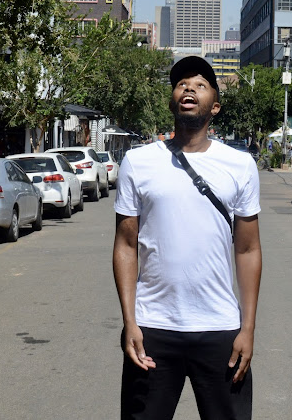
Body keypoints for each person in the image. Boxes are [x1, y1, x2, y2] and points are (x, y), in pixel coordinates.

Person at [113, 55, 262, 420]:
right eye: (181, 83)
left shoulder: (240, 164)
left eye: (200, 84)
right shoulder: (138, 161)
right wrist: (130, 321)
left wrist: (247, 328)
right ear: (172, 100)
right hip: (153, 329)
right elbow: (125, 245)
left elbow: (247, 249)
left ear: (215, 105)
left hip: (219, 329)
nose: (189, 88)